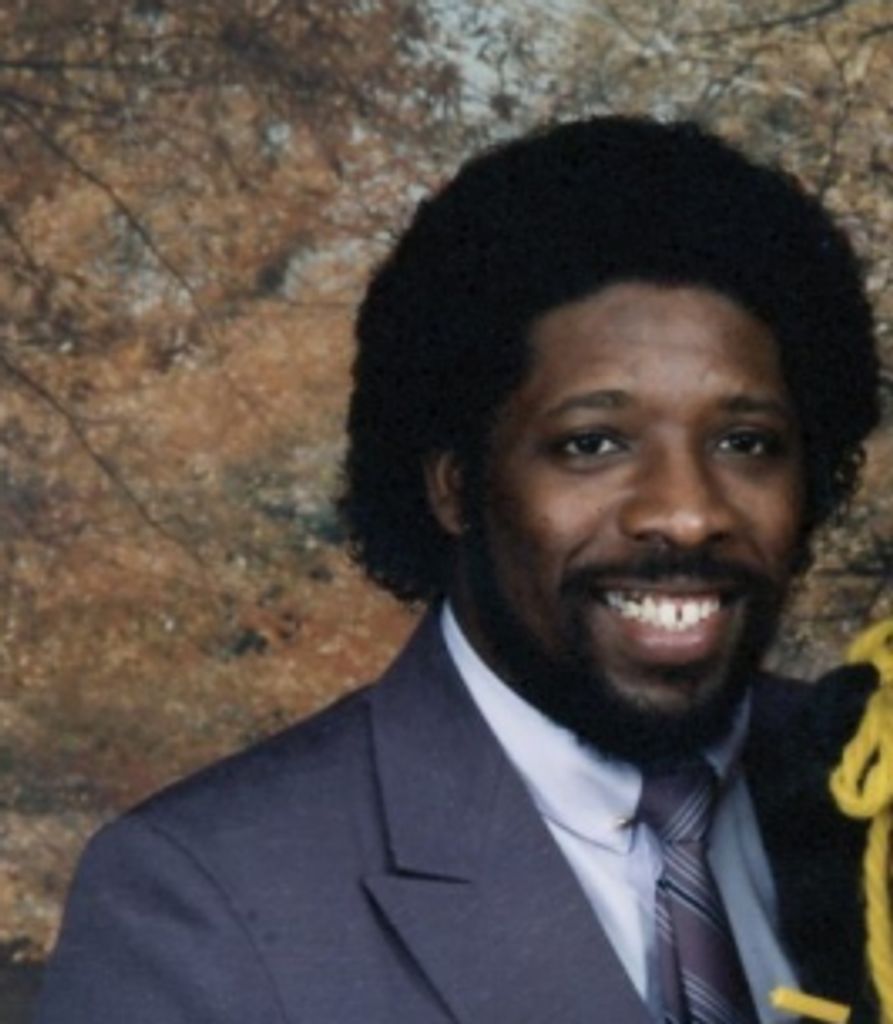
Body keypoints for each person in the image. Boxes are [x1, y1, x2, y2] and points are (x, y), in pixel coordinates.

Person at [36, 117, 883, 1024]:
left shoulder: (862, 785)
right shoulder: (201, 907)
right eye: (592, 443)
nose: (685, 511)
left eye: (745, 442)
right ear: (452, 485)